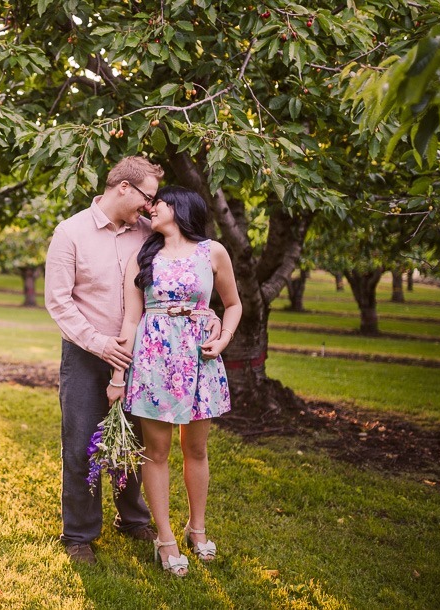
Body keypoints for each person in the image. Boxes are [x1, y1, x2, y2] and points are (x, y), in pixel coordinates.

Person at [45, 156, 219, 565]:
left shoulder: (150, 232)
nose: (150, 205)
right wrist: (100, 344)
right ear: (123, 187)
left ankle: (135, 519)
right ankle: (80, 534)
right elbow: (58, 301)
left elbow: (182, 276)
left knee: (141, 445)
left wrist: (203, 313)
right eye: (147, 195)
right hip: (87, 353)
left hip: (148, 355)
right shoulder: (70, 233)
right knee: (82, 443)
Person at [106, 185, 241, 578]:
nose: (151, 209)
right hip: (154, 361)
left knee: (196, 449)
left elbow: (232, 304)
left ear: (180, 209)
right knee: (157, 451)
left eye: (158, 203)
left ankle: (196, 528)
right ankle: (164, 537)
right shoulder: (143, 256)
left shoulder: (212, 251)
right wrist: (119, 373)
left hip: (200, 359)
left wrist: (224, 338)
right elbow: (131, 320)